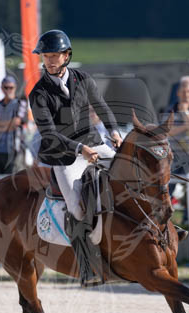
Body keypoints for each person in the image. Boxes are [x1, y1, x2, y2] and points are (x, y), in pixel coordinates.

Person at [29, 29, 122, 285]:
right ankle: (87, 265)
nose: (49, 60)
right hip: (64, 157)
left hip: (95, 144)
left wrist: (114, 132)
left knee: (130, 172)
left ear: (66, 55)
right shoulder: (38, 93)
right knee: (77, 208)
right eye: (46, 56)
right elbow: (49, 134)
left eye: (54, 55)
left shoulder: (83, 79)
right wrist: (80, 149)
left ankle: (160, 227)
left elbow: (101, 106)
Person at [0, 75, 27, 174]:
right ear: (2, 88)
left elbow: (16, 123)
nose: (8, 90)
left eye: (11, 87)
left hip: (14, 150)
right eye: (6, 87)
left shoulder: (21, 102)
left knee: (13, 179)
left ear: (15, 87)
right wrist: (8, 124)